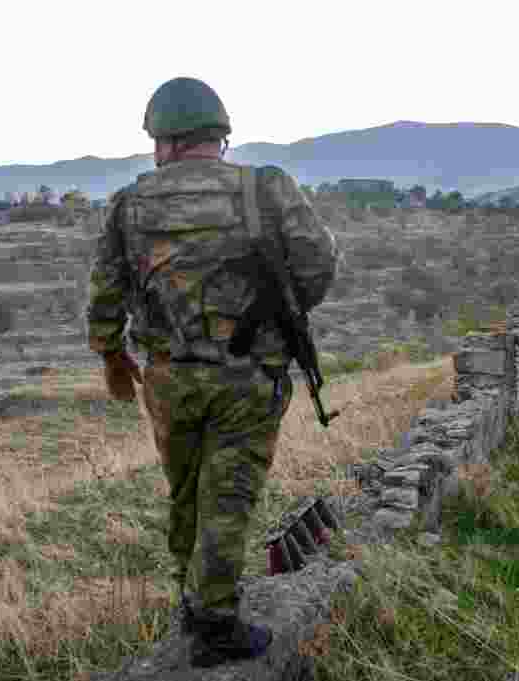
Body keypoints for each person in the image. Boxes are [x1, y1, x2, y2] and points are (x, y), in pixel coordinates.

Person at [86, 77, 338, 668]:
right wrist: (275, 312)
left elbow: (106, 291)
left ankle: (193, 604)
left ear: (163, 140)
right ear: (219, 137)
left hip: (170, 380)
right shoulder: (266, 189)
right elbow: (319, 265)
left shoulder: (130, 203)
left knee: (187, 494)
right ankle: (216, 626)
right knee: (230, 496)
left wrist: (111, 355)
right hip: (249, 376)